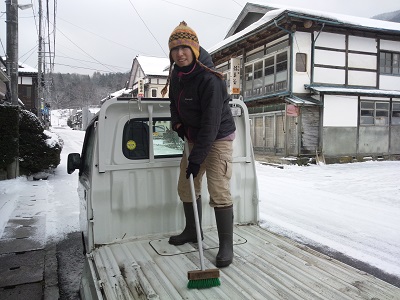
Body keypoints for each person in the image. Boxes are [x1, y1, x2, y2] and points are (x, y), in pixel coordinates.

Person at [161, 21, 236, 268]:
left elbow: (211, 123)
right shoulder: (177, 74)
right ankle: (193, 231)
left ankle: (226, 245)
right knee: (186, 186)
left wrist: (196, 159)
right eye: (175, 49)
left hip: (217, 138)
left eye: (184, 47)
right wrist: (178, 125)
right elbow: (173, 104)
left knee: (219, 190)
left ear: (194, 49)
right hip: (194, 137)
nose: (180, 53)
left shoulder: (210, 79)